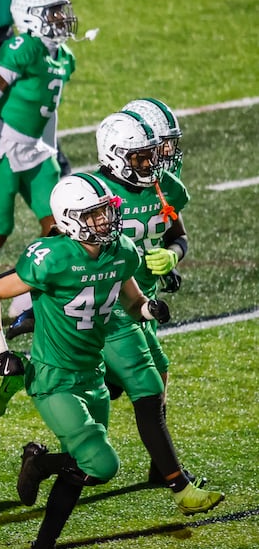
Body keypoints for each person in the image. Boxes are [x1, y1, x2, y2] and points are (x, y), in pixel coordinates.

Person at [0, 174, 184, 549]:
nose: (106, 221)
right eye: (94, 215)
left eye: (107, 212)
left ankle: (41, 548)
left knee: (81, 467)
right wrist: (1, 354)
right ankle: (40, 468)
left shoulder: (120, 251)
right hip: (54, 377)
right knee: (102, 464)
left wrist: (148, 310)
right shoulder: (51, 257)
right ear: (70, 219)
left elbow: (132, 300)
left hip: (93, 372)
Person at [76, 110, 221, 509]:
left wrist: (172, 257)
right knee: (146, 385)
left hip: (146, 303)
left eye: (156, 152)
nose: (154, 161)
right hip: (110, 306)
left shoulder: (164, 186)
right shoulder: (92, 192)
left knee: (149, 375)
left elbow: (179, 235)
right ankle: (179, 485)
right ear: (116, 154)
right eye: (143, 155)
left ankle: (62, 458)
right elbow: (62, 250)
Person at [0, 0, 81, 250]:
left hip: (36, 150)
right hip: (1, 148)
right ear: (30, 16)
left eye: (61, 11)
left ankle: (37, 278)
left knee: (60, 224)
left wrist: (50, 148)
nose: (62, 17)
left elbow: (49, 109)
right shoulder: (22, 47)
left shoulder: (64, 57)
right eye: (53, 12)